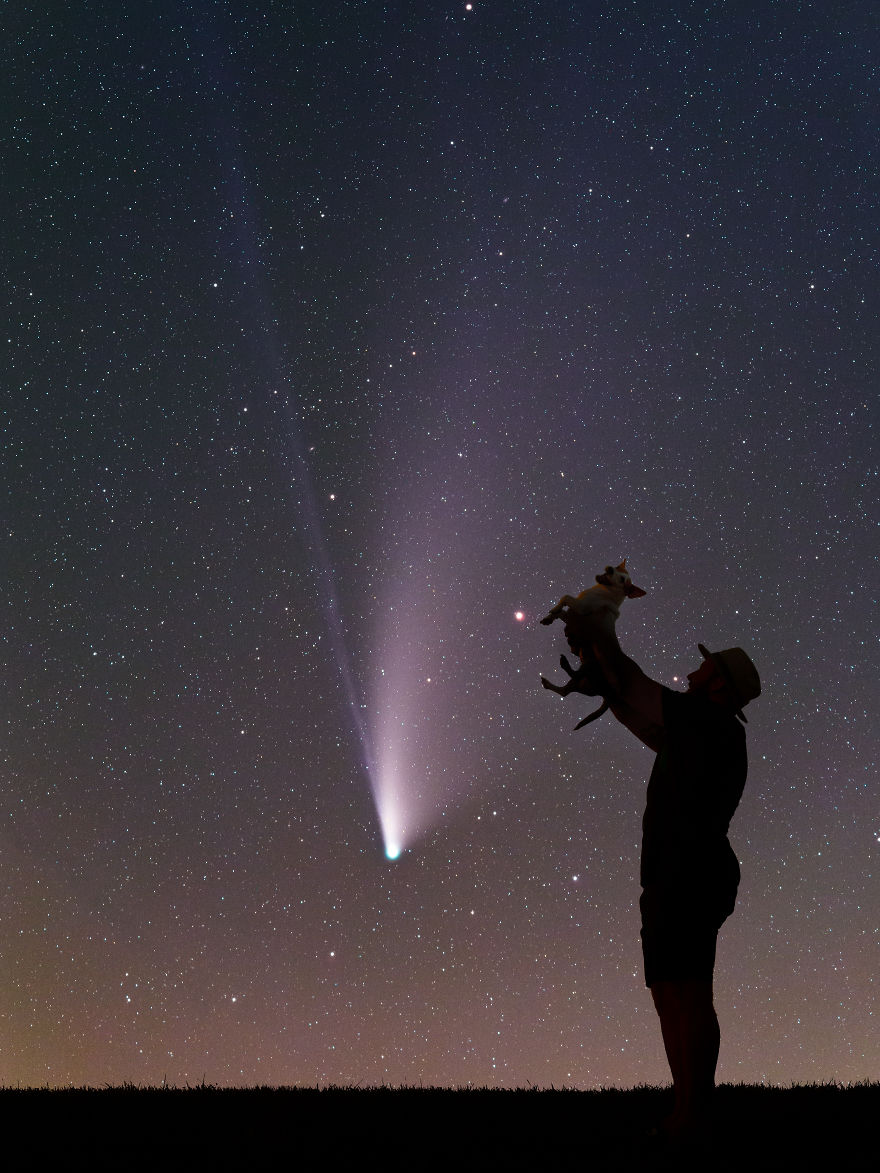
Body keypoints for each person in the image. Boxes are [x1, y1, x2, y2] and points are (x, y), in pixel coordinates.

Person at [564, 616, 761, 1141]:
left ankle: (694, 1112)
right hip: (681, 870)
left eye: (705, 667)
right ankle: (686, 1108)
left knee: (687, 990)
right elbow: (642, 717)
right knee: (671, 990)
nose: (694, 672)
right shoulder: (708, 729)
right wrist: (602, 670)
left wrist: (599, 638)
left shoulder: (704, 720)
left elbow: (634, 687)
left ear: (718, 683)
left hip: (689, 871)